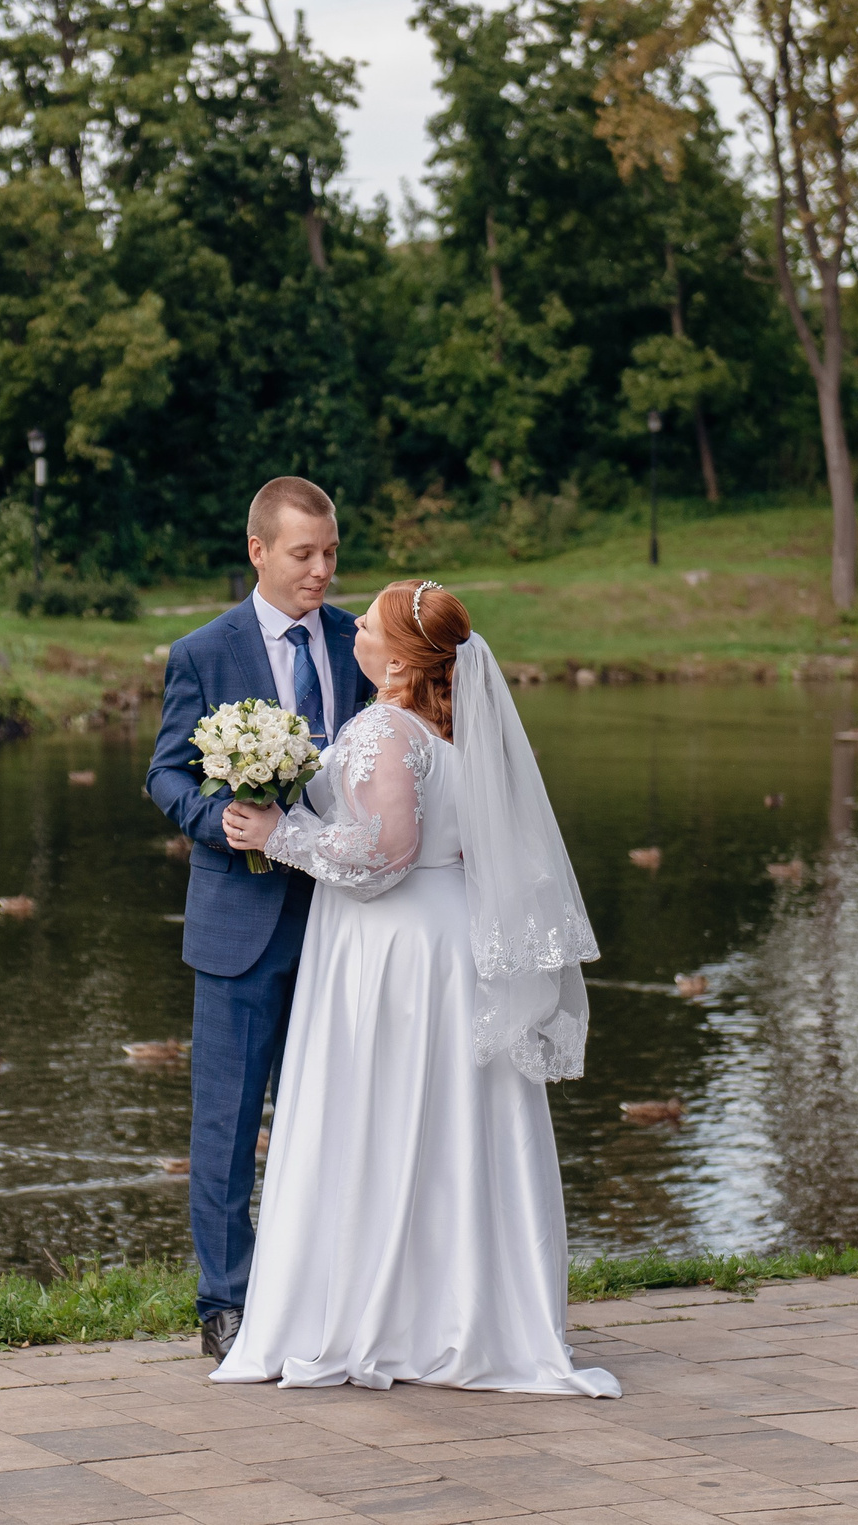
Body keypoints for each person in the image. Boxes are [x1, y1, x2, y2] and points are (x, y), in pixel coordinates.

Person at [208, 578, 620, 1396]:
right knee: (448, 1121)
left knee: (384, 1113)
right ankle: (453, 1307)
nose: (353, 628)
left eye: (367, 623)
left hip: (392, 949)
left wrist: (280, 832)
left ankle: (388, 1317)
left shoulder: (385, 729)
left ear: (398, 659)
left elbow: (386, 853)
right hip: (448, 940)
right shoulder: (457, 731)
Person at [146, 477, 373, 1362]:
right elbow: (165, 772)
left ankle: (325, 1295)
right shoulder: (203, 652)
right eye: (303, 553)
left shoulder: (360, 643)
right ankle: (227, 1306)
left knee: (336, 1120)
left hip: (347, 924)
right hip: (239, 927)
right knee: (227, 1127)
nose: (321, 570)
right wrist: (222, 820)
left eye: (330, 552)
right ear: (259, 551)